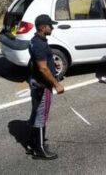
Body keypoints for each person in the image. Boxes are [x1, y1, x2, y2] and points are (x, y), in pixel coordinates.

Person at [28, 14, 65, 160]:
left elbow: (41, 62)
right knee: (41, 116)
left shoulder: (37, 40)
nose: (52, 27)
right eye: (50, 25)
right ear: (43, 27)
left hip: (36, 82)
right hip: (42, 85)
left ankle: (33, 142)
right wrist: (56, 84)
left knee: (36, 113)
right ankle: (40, 149)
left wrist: (52, 63)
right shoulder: (39, 44)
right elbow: (43, 69)